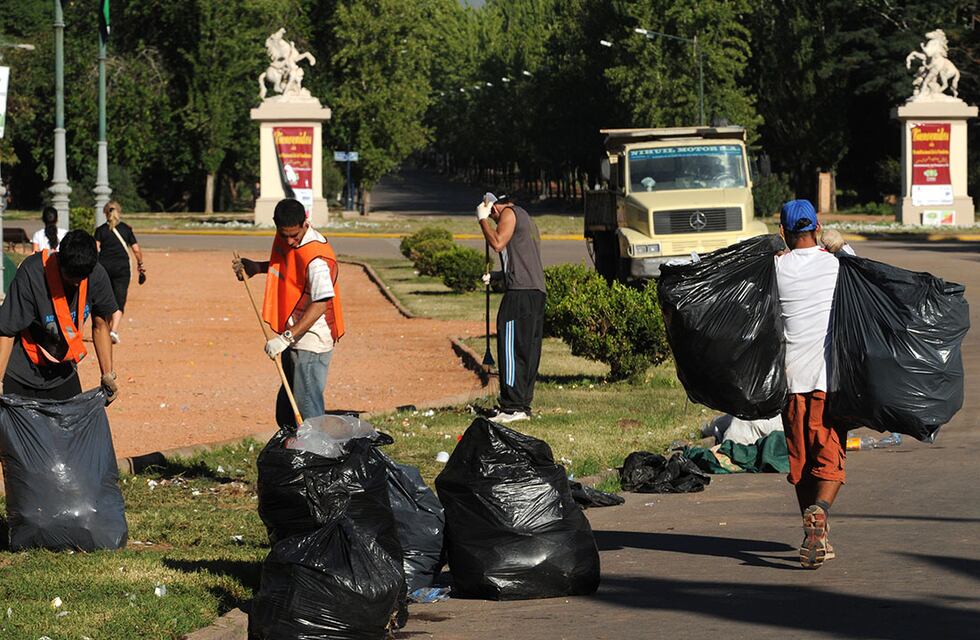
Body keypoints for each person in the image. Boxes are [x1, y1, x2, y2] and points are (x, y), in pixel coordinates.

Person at [775, 199, 846, 570]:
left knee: (801, 463)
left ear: (784, 232)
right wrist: (837, 243)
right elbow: (854, 258)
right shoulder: (836, 263)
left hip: (790, 382)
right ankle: (820, 511)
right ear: (816, 228)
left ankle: (813, 532)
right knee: (829, 458)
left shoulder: (776, 268)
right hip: (827, 380)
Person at [233, 198, 344, 426]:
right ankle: (291, 455)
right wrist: (257, 267)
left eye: (295, 235)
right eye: (284, 235)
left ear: (305, 223)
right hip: (293, 337)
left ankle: (317, 457)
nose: (290, 241)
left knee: (308, 413)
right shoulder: (288, 239)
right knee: (286, 413)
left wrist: (286, 338)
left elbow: (321, 304)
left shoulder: (318, 259)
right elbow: (288, 267)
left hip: (311, 341)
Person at [0, 230, 119, 402]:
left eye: (81, 278)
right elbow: (7, 329)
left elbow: (101, 326)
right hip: (21, 371)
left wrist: (107, 374)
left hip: (62, 371)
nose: (76, 283)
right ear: (59, 261)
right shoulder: (32, 273)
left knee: (72, 425)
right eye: (70, 278)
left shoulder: (96, 274)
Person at [476, 193, 546, 424]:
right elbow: (519, 260)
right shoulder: (525, 217)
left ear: (494, 207)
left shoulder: (508, 213)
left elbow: (497, 243)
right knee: (527, 350)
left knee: (511, 347)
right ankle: (522, 405)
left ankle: (511, 406)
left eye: (492, 214)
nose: (495, 220)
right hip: (534, 292)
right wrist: (497, 276)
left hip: (520, 294)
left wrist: (482, 221)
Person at [94, 200, 146, 344]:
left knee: (106, 298)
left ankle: (107, 328)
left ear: (105, 213)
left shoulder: (100, 230)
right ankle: (113, 331)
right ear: (119, 212)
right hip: (122, 269)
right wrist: (140, 264)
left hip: (104, 268)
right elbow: (136, 249)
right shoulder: (126, 229)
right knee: (119, 300)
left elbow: (95, 249)